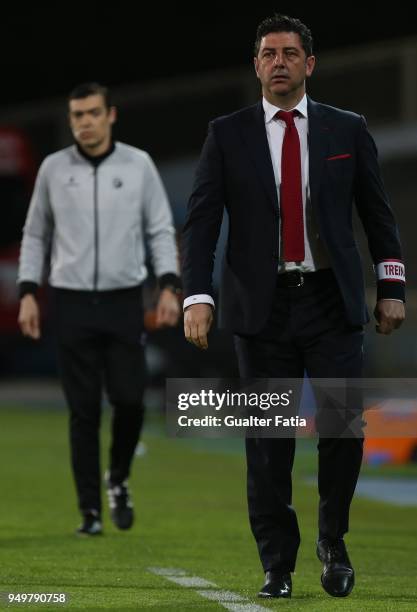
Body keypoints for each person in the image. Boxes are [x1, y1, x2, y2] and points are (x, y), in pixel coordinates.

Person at [181, 14, 405, 599]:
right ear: (256, 65)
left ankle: (333, 538)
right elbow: (202, 223)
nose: (278, 61)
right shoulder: (226, 134)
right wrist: (197, 296)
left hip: (332, 303)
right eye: (268, 53)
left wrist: (393, 288)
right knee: (269, 442)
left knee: (343, 431)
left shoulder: (347, 129)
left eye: (290, 52)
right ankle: (277, 564)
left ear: (310, 64)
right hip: (261, 311)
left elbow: (378, 216)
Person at [18, 82, 181, 536]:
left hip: (124, 300)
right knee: (83, 410)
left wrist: (169, 285)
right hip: (70, 303)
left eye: (92, 113)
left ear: (111, 115)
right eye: (77, 115)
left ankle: (118, 477)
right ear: (70, 121)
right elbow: (35, 234)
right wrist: (29, 290)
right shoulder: (53, 169)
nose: (84, 122)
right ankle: (89, 511)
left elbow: (160, 231)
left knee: (130, 401)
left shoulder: (137, 165)